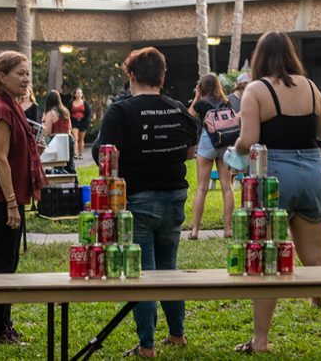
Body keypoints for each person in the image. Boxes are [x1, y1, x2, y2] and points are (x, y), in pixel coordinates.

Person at [234, 31, 321, 353]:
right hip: (314, 169)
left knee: (267, 259)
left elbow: (249, 139)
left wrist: (235, 147)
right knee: (318, 256)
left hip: (274, 173)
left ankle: (261, 340)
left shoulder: (256, 90)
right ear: (291, 55)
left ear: (259, 58)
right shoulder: (311, 88)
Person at [92, 47, 197, 358]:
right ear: (162, 77)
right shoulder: (179, 109)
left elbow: (108, 158)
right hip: (176, 197)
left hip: (137, 201)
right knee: (169, 268)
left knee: (144, 274)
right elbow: (190, 151)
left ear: (131, 76)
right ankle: (177, 334)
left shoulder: (120, 112)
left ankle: (146, 346)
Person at [0, 50, 47, 345]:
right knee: (1, 263)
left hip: (12, 195)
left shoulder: (12, 106)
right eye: (19, 73)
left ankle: (5, 324)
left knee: (9, 262)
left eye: (27, 73)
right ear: (1, 77)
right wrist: (10, 203)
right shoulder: (0, 109)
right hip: (2, 197)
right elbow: (0, 160)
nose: (26, 78)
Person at [188, 74, 234, 240]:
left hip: (208, 143)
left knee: (202, 187)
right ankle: (228, 230)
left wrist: (196, 97)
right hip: (224, 143)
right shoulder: (225, 102)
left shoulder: (201, 104)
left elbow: (188, 116)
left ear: (202, 87)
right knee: (227, 187)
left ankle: (194, 231)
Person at [42, 89, 75, 174]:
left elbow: (47, 132)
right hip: (69, 139)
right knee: (70, 166)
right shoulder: (65, 111)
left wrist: (43, 122)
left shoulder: (50, 113)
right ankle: (74, 185)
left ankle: (60, 185)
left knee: (58, 167)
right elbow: (70, 127)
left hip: (58, 141)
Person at [70, 87, 91, 160]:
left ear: (82, 94)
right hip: (74, 122)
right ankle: (75, 154)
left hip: (83, 122)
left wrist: (86, 122)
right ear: (75, 94)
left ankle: (81, 154)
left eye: (80, 93)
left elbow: (88, 114)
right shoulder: (71, 103)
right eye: (77, 93)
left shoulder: (85, 103)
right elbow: (68, 113)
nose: (79, 94)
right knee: (75, 138)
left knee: (81, 139)